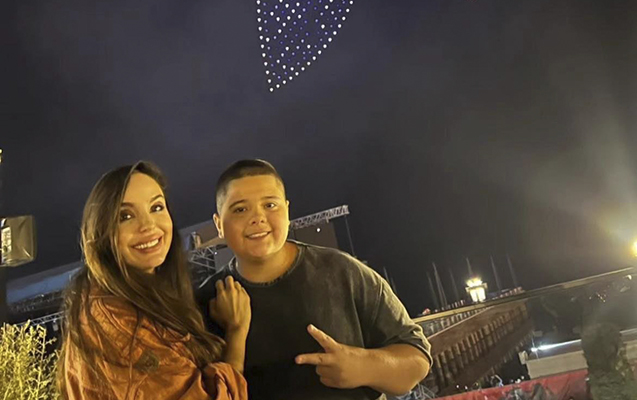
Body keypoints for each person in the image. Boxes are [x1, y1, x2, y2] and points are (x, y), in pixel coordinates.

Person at [198, 159, 432, 399]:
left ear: (287, 211)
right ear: (219, 224)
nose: (258, 218)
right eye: (240, 209)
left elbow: (418, 358)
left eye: (270, 205)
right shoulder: (203, 302)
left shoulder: (343, 272)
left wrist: (365, 367)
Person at [57, 161, 250, 400]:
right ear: (102, 233)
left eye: (156, 207)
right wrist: (236, 332)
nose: (148, 225)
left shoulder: (142, 295)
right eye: (125, 216)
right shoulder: (114, 321)